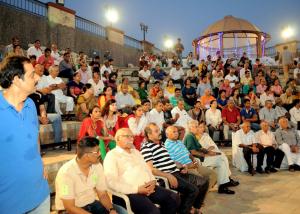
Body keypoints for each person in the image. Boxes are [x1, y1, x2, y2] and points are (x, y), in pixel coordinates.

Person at [0, 56, 49, 213]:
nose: (37, 78)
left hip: (40, 195)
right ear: (16, 80)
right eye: (32, 75)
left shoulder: (30, 104)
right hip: (10, 203)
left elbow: (34, 137)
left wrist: (40, 161)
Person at [104, 128, 179, 214]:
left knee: (174, 198)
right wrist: (136, 189)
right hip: (129, 193)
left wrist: (153, 181)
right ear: (117, 139)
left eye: (132, 136)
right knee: (154, 212)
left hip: (148, 187)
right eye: (127, 136)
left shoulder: (136, 152)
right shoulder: (112, 156)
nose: (131, 139)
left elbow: (147, 169)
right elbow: (111, 182)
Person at [141, 123, 209, 214]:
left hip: (177, 172)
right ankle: (185, 211)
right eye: (156, 131)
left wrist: (182, 166)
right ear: (149, 135)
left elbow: (171, 161)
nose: (160, 132)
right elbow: (151, 169)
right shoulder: (146, 147)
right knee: (193, 190)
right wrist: (168, 176)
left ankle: (192, 208)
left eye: (159, 130)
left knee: (204, 182)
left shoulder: (161, 144)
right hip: (167, 176)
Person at [55, 137, 125, 214]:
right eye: (97, 152)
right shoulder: (66, 173)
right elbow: (69, 207)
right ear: (86, 155)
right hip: (71, 209)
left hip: (91, 203)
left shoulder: (97, 166)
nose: (100, 153)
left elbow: (102, 194)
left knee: (121, 211)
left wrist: (111, 210)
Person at [184, 120, 236, 194]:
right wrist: (206, 155)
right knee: (220, 160)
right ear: (190, 128)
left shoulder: (192, 136)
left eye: (197, 126)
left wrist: (209, 152)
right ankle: (223, 185)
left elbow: (200, 148)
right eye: (196, 127)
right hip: (197, 160)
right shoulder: (189, 136)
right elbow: (193, 152)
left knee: (221, 160)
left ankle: (223, 184)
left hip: (201, 158)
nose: (197, 128)